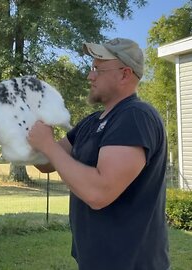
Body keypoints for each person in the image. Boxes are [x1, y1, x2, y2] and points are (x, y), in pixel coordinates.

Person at [27, 38, 170, 270]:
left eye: (97, 69)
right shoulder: (91, 123)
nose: (90, 76)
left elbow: (99, 193)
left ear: (124, 74)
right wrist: (22, 124)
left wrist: (48, 145)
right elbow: (45, 162)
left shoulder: (135, 116)